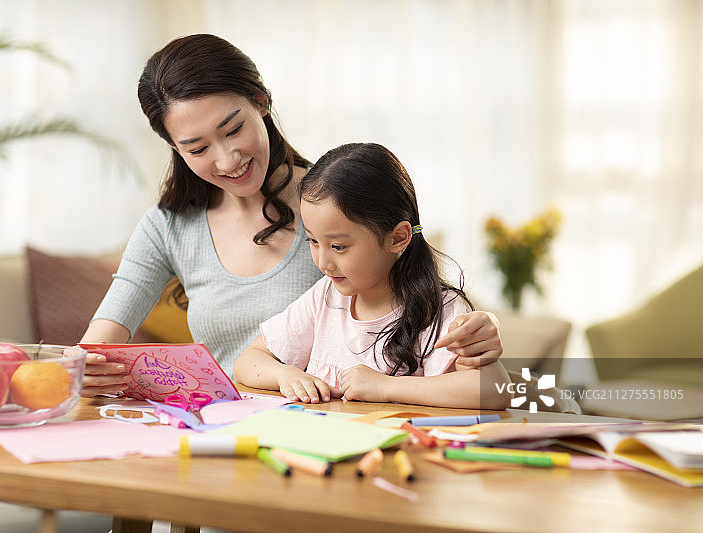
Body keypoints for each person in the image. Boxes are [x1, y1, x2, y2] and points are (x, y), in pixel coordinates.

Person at [80, 34, 504, 398]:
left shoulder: (333, 200)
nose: (228, 159)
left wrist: (484, 328)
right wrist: (87, 371)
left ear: (261, 101)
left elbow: (424, 296)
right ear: (175, 147)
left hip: (330, 428)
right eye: (197, 148)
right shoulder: (168, 226)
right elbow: (98, 348)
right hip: (216, 434)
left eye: (232, 130)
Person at [233, 143, 511, 408]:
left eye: (338, 246)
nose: (323, 262)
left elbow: (494, 390)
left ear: (398, 238)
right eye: (313, 241)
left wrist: (386, 388)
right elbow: (247, 362)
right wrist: (286, 375)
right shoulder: (325, 297)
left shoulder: (440, 309)